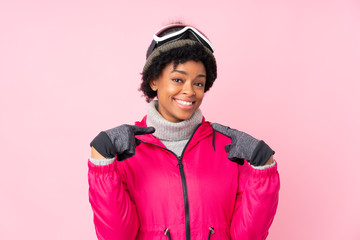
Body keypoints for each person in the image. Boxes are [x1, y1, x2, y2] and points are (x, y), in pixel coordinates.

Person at [88, 23, 280, 240]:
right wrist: (101, 165)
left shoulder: (231, 151)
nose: (190, 91)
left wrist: (264, 167)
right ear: (154, 80)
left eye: (199, 83)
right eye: (178, 79)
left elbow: (248, 237)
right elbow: (117, 237)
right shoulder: (125, 153)